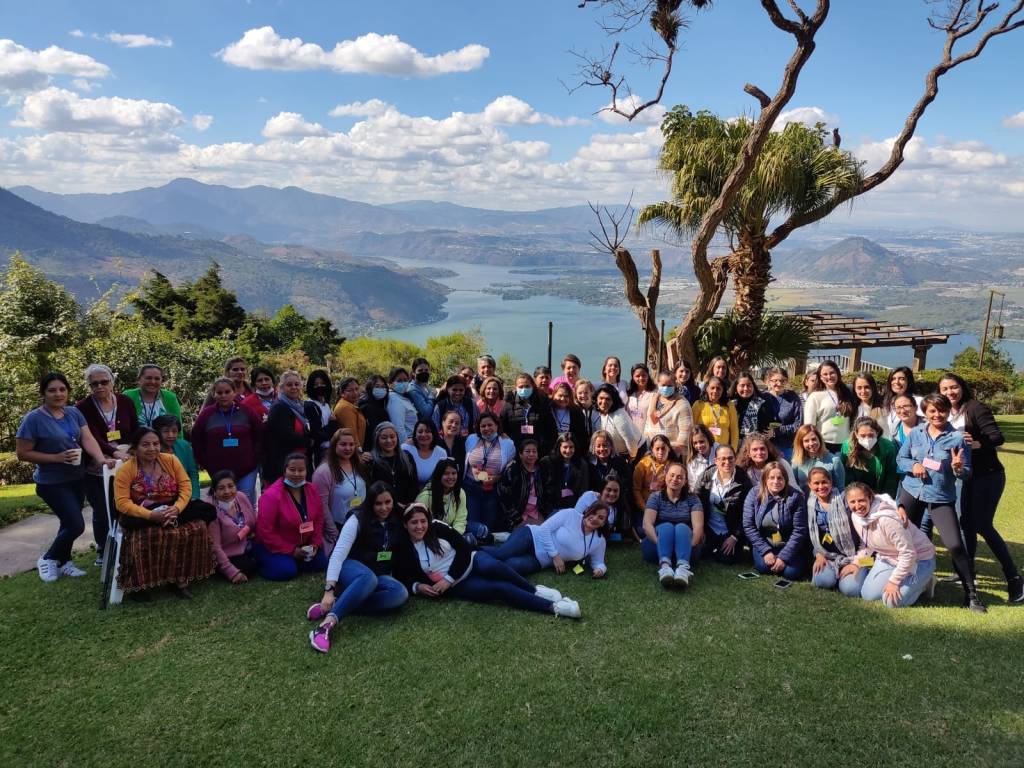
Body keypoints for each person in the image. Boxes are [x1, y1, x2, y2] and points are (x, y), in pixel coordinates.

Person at [393, 504, 581, 618]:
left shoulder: (437, 527)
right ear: (405, 524)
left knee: (493, 566)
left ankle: (534, 590)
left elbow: (464, 549)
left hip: (470, 560)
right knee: (497, 588)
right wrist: (418, 586)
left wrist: (448, 578)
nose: (420, 526)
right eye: (414, 522)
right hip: (457, 585)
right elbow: (401, 574)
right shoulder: (403, 546)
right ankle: (553, 607)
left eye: (423, 521)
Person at [16, 372, 115, 582]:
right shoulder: (33, 419)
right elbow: (23, 453)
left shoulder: (73, 413)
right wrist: (56, 458)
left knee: (67, 522)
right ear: (43, 393)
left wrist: (100, 459)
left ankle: (64, 562)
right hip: (51, 482)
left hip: (77, 478)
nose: (58, 394)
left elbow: (87, 438)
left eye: (62, 389)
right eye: (52, 390)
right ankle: (48, 558)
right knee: (76, 525)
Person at [896, 393, 984, 611]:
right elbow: (901, 458)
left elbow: (967, 473)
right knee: (904, 538)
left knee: (955, 545)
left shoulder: (958, 438)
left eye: (942, 410)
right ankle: (905, 581)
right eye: (932, 411)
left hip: (940, 496)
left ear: (948, 412)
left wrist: (958, 469)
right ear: (925, 413)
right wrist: (913, 466)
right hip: (912, 491)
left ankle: (971, 594)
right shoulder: (916, 433)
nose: (937, 414)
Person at [939, 372, 1021, 602]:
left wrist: (975, 443)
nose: (950, 392)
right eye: (945, 389)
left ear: (962, 387)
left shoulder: (975, 408)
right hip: (963, 476)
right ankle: (968, 573)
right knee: (965, 524)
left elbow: (997, 437)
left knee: (983, 525)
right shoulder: (945, 412)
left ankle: (1014, 578)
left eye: (953, 387)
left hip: (988, 475)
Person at [112, 427, 215, 598]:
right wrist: (151, 516)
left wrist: (177, 508)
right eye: (145, 444)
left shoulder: (170, 460)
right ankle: (140, 584)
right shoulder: (126, 469)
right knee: (146, 534)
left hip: (172, 508)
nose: (152, 448)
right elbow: (122, 503)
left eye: (155, 444)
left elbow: (185, 486)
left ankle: (180, 579)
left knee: (201, 521)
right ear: (135, 448)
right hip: (143, 513)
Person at [306, 482, 409, 653]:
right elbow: (338, 555)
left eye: (388, 502)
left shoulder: (397, 516)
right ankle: (325, 626)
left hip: (377, 573)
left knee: (400, 593)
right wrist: (328, 590)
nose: (384, 508)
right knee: (368, 578)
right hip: (349, 569)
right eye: (378, 503)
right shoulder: (357, 519)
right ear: (370, 503)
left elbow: (419, 514)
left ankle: (340, 602)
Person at [76, 364, 137, 557]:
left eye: (104, 382)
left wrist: (133, 449)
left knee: (125, 505)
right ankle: (103, 550)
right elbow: (90, 437)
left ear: (112, 381)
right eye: (94, 384)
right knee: (102, 510)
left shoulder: (125, 401)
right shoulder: (82, 407)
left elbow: (135, 428)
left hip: (125, 462)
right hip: (96, 465)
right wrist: (113, 452)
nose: (99, 386)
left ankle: (126, 546)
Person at [847, 483, 937, 608]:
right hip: (888, 558)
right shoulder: (856, 517)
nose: (857, 506)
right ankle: (903, 577)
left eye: (861, 500)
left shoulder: (887, 519)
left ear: (870, 498)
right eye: (852, 502)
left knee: (891, 602)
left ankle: (926, 581)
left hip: (919, 559)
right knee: (868, 595)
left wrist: (894, 582)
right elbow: (866, 543)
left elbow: (908, 554)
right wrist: (857, 563)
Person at [483, 499, 609, 578]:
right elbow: (544, 529)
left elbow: (598, 562)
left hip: (539, 560)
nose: (595, 518)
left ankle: (478, 567)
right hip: (531, 537)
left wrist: (600, 570)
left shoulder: (599, 540)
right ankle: (472, 549)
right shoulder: (570, 514)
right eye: (594, 513)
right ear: (587, 511)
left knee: (509, 566)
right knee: (501, 554)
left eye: (601, 518)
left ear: (603, 523)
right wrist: (555, 555)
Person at [254, 452, 328, 581]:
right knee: (287, 572)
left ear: (307, 471)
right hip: (272, 545)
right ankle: (262, 562)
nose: (297, 474)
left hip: (302, 543)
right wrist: (292, 550)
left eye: (301, 470)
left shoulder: (312, 489)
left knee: (322, 562)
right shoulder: (271, 495)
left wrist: (315, 544)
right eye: (292, 470)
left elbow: (318, 519)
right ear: (284, 471)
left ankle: (291, 561)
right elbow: (265, 531)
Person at [190, 377, 262, 504]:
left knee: (245, 502)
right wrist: (205, 462)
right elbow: (196, 439)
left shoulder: (247, 411)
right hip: (218, 470)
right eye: (219, 392)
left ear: (234, 393)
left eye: (227, 392)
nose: (223, 395)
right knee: (224, 504)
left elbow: (260, 435)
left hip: (246, 469)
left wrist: (254, 458)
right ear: (214, 394)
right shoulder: (206, 414)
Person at [642, 462, 704, 588]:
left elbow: (698, 528)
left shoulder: (693, 499)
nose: (675, 479)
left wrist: (688, 546)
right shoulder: (656, 497)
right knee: (667, 527)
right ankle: (665, 567)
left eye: (680, 477)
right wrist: (661, 544)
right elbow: (647, 524)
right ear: (665, 476)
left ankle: (683, 568)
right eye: (672, 475)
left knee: (681, 527)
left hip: (686, 548)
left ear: (685, 481)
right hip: (657, 546)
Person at [742, 462, 809, 580]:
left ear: (785, 479)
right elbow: (748, 525)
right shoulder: (754, 494)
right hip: (765, 541)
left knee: (791, 573)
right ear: (765, 479)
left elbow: (799, 530)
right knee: (764, 567)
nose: (776, 481)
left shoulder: (795, 497)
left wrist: (783, 557)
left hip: (788, 543)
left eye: (780, 478)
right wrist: (765, 551)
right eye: (771, 478)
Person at [805, 468, 865, 596]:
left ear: (831, 482)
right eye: (816, 483)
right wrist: (818, 554)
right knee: (822, 582)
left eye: (824, 482)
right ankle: (836, 575)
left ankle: (854, 574)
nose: (821, 486)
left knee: (850, 590)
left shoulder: (845, 499)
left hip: (855, 556)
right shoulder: (810, 503)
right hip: (828, 556)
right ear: (809, 485)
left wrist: (856, 563)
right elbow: (811, 537)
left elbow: (865, 531)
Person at [312, 429, 368, 552]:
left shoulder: (359, 465)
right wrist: (334, 533)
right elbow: (322, 506)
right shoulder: (323, 472)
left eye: (351, 444)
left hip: (361, 523)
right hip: (339, 528)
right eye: (343, 444)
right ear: (334, 446)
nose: (348, 448)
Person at [694, 445, 752, 564]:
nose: (727, 462)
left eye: (730, 458)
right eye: (723, 459)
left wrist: (735, 536)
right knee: (697, 553)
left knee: (726, 559)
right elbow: (696, 504)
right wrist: (700, 529)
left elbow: (748, 513)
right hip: (709, 527)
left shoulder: (744, 480)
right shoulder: (706, 476)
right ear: (715, 461)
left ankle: (720, 548)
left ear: (735, 459)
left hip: (730, 530)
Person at [463, 412, 517, 533]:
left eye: (490, 425)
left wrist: (497, 478)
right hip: (470, 488)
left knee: (489, 525)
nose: (486, 428)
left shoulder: (508, 444)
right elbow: (466, 461)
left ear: (497, 425)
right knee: (472, 523)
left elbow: (510, 469)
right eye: (483, 426)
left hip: (492, 490)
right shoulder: (471, 439)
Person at [204, 470, 257, 584]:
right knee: (249, 567)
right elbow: (214, 546)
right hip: (228, 553)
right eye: (221, 488)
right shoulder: (210, 510)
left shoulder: (241, 497)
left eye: (230, 486)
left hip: (247, 544)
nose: (227, 491)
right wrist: (232, 573)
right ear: (214, 490)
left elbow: (253, 521)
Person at [417, 457, 486, 539]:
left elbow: (460, 519)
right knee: (469, 540)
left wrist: (455, 537)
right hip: (434, 534)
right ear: (439, 475)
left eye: (454, 473)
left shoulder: (460, 492)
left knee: (482, 530)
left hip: (453, 530)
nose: (451, 477)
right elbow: (422, 525)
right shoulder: (425, 497)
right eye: (446, 473)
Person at [802, 360, 856, 452]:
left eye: (832, 373)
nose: (829, 376)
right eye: (825, 374)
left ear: (837, 373)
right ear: (820, 377)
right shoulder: (815, 397)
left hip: (846, 444)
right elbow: (809, 425)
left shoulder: (847, 393)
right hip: (823, 444)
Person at [840, 417, 898, 496]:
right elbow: (846, 475)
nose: (867, 439)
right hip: (856, 492)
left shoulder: (888, 448)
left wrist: (886, 497)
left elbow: (891, 477)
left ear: (877, 432)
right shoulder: (847, 446)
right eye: (863, 436)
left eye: (871, 435)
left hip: (880, 492)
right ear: (856, 434)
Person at [498, 439, 548, 530]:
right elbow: (504, 497)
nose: (531, 454)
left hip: (537, 514)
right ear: (520, 454)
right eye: (527, 451)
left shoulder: (542, 471)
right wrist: (516, 519)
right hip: (518, 517)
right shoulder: (513, 470)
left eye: (534, 451)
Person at [502, 372, 556, 453]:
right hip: (515, 451)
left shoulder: (542, 405)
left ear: (532, 386)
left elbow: (551, 430)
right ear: (516, 388)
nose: (524, 389)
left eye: (527, 386)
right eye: (521, 387)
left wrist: (545, 448)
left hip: (538, 451)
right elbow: (503, 429)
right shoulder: (509, 405)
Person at [644, 370, 694, 458]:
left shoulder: (682, 404)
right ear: (658, 384)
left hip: (672, 454)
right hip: (652, 452)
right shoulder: (654, 399)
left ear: (675, 385)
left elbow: (686, 433)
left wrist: (672, 453)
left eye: (669, 386)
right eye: (663, 385)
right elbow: (648, 423)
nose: (666, 388)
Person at [368, 422, 418, 504]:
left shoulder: (407, 457)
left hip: (407, 506)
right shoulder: (371, 460)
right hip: (383, 507)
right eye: (384, 438)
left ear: (397, 437)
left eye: (392, 437)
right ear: (377, 439)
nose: (389, 441)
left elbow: (414, 484)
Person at [539, 431, 590, 511]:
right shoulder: (547, 462)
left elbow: (583, 489)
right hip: (552, 506)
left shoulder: (582, 464)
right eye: (565, 447)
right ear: (559, 447)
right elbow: (543, 488)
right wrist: (559, 493)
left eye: (571, 447)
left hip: (574, 507)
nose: (568, 450)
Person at [123, 364, 182, 428]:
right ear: (139, 379)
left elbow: (178, 427)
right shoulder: (128, 396)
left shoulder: (170, 397)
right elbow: (118, 423)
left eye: (157, 379)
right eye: (148, 378)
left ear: (161, 380)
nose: (153, 382)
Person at [790, 424, 845, 493]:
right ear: (801, 443)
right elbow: (794, 486)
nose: (811, 443)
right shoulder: (797, 461)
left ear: (819, 439)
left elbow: (840, 489)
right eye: (806, 441)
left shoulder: (834, 461)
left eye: (814, 439)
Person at [762, 367, 803, 460]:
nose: (779, 383)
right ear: (769, 381)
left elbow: (798, 424)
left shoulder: (793, 397)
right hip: (765, 446)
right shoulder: (762, 397)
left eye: (782, 380)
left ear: (786, 381)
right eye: (775, 380)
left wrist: (777, 431)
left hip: (786, 446)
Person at [593, 383, 642, 459]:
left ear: (614, 400)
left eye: (608, 399)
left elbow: (631, 440)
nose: (604, 401)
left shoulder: (619, 415)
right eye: (601, 398)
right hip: (618, 453)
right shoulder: (599, 413)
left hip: (635, 451)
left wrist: (632, 457)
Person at [692, 376, 739, 451]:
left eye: (718, 388)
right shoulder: (698, 404)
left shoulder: (729, 405)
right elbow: (692, 428)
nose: (715, 391)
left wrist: (733, 449)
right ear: (707, 389)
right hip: (703, 450)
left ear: (723, 390)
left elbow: (734, 431)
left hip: (723, 451)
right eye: (712, 388)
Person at [632, 434, 674, 513]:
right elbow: (636, 489)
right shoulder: (643, 464)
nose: (660, 452)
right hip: (646, 505)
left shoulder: (673, 466)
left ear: (669, 448)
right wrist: (644, 507)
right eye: (657, 449)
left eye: (663, 448)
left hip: (666, 507)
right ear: (652, 449)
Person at [304, 369, 338, 465]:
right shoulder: (310, 406)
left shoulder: (326, 404)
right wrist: (332, 424)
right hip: (319, 453)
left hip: (330, 449)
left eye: (322, 383)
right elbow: (315, 434)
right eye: (316, 384)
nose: (320, 387)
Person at [402, 419, 448, 488]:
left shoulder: (442, 453)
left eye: (428, 431)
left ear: (433, 434)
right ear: (415, 434)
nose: (423, 435)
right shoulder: (405, 449)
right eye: (420, 432)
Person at [730, 372, 770, 445]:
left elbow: (765, 429)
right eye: (742, 385)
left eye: (749, 385)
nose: (746, 388)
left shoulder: (761, 404)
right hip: (731, 445)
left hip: (752, 445)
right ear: (736, 386)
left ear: (753, 386)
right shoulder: (730, 404)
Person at [550, 382, 588, 456]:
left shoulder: (576, 412)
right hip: (551, 452)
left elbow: (581, 435)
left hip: (570, 452)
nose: (563, 399)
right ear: (554, 395)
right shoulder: (547, 410)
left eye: (566, 396)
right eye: (560, 395)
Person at [883, 366, 923, 437]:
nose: (897, 382)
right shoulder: (887, 402)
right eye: (893, 379)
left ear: (909, 382)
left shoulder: (919, 401)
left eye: (902, 379)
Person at [332, 377, 367, 451]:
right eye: (350, 390)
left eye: (356, 389)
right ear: (342, 393)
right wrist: (359, 452)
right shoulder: (345, 408)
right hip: (351, 450)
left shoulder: (350, 405)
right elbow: (351, 433)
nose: (355, 393)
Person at [385, 367, 419, 442]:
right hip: (407, 442)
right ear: (391, 383)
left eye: (405, 380)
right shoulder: (394, 399)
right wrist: (405, 446)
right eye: (399, 380)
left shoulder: (402, 397)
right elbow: (398, 428)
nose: (403, 383)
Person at [853, 372, 890, 438]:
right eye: (859, 388)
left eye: (867, 387)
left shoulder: (884, 405)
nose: (863, 391)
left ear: (873, 388)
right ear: (855, 389)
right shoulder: (855, 407)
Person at [625, 363, 657, 436]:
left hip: (647, 436)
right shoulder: (629, 394)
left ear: (648, 376)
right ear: (633, 377)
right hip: (630, 435)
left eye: (644, 375)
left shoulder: (654, 394)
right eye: (637, 376)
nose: (641, 378)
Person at [360, 374, 392, 448]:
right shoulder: (366, 407)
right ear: (370, 388)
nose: (380, 389)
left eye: (383, 386)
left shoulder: (381, 404)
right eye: (377, 386)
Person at [408, 357, 436, 421]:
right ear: (413, 372)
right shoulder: (413, 389)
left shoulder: (426, 386)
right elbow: (426, 412)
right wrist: (432, 395)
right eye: (420, 370)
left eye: (426, 370)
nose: (424, 372)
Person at [574, 379, 600, 444]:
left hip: (597, 444)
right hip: (579, 444)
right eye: (580, 393)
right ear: (576, 394)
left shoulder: (599, 409)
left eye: (586, 392)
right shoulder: (574, 410)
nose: (583, 395)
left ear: (591, 392)